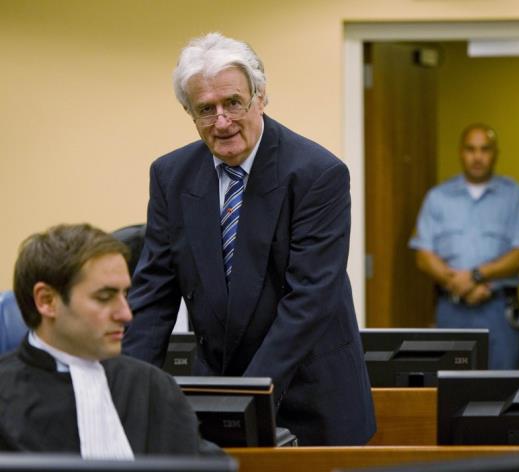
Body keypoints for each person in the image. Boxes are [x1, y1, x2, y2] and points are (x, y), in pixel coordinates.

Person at [121, 32, 375, 446]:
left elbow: (309, 299)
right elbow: (153, 295)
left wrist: (245, 399)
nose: (222, 122)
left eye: (233, 103)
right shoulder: (171, 176)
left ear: (260, 97)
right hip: (219, 391)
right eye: (206, 109)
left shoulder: (317, 173)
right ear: (189, 112)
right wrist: (124, 390)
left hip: (310, 396)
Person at [0, 223, 215, 457]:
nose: (126, 315)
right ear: (47, 301)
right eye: (104, 297)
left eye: (125, 295)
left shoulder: (153, 387)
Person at [409, 123, 519, 369]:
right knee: (448, 385)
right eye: (471, 149)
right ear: (461, 152)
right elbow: (423, 255)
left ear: (496, 153)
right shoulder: (438, 197)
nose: (477, 156)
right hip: (451, 307)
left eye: (485, 149)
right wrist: (458, 285)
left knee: (501, 386)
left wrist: (476, 275)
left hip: (499, 309)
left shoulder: (516, 197)